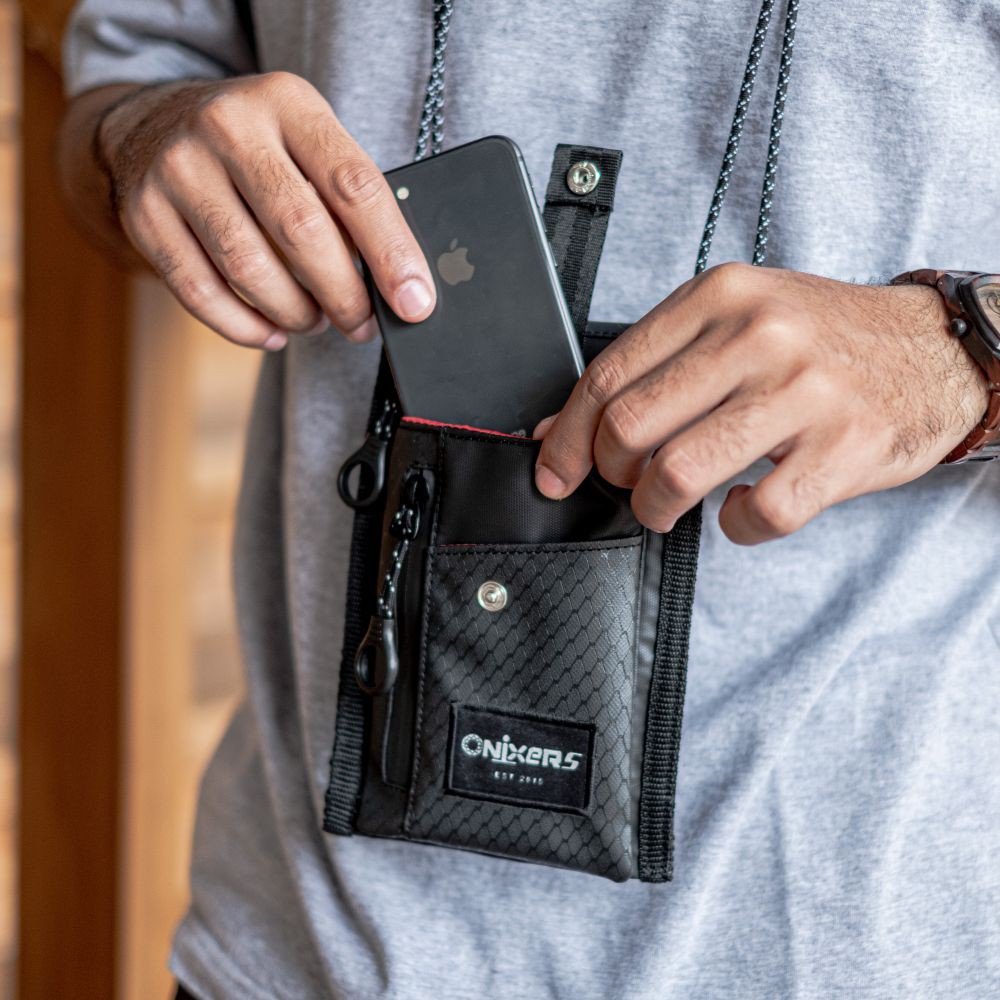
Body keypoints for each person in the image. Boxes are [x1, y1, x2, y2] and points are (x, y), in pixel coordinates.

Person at [59, 2, 1000, 997]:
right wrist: (142, 139)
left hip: (850, 951)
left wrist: (953, 355)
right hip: (292, 948)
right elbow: (115, 108)